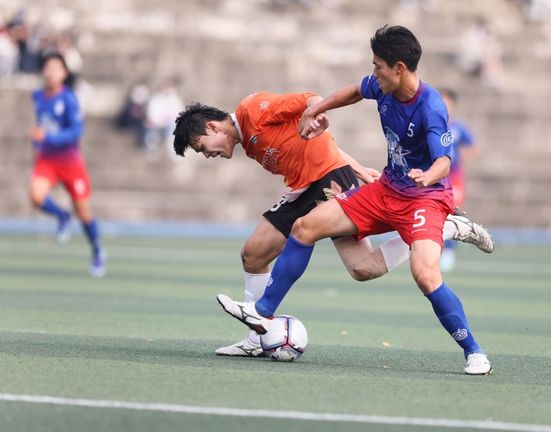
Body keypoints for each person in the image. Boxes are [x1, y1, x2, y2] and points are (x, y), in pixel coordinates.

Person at [216, 25, 492, 374]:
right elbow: (353, 92)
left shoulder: (431, 108)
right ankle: (263, 311)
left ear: (400, 69)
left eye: (378, 66)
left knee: (425, 275)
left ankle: (474, 351)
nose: (373, 72)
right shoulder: (382, 85)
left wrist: (428, 176)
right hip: (386, 190)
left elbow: (443, 161)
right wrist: (316, 110)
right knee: (305, 228)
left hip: (425, 199)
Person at [173, 92, 494, 358]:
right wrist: (356, 167)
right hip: (312, 185)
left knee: (282, 254)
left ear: (213, 127)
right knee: (348, 267)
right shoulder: (248, 141)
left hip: (325, 182)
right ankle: (258, 337)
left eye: (202, 147)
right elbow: (325, 145)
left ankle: (259, 323)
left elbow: (310, 99)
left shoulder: (251, 110)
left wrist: (318, 117)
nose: (206, 155)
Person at [28, 51, 106, 277]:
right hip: (47, 159)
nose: (51, 72)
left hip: (70, 161)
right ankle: (62, 216)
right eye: (47, 67)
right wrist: (37, 146)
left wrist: (47, 138)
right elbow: (41, 124)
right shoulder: (38, 96)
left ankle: (97, 250)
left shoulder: (69, 98)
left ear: (64, 73)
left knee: (83, 212)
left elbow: (75, 133)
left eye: (56, 68)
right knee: (35, 196)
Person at [438, 88, 480, 272]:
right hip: (434, 178)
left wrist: (459, 156)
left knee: (451, 212)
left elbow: (474, 148)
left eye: (447, 102)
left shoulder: (457, 128)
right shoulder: (430, 125)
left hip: (453, 179)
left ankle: (449, 251)